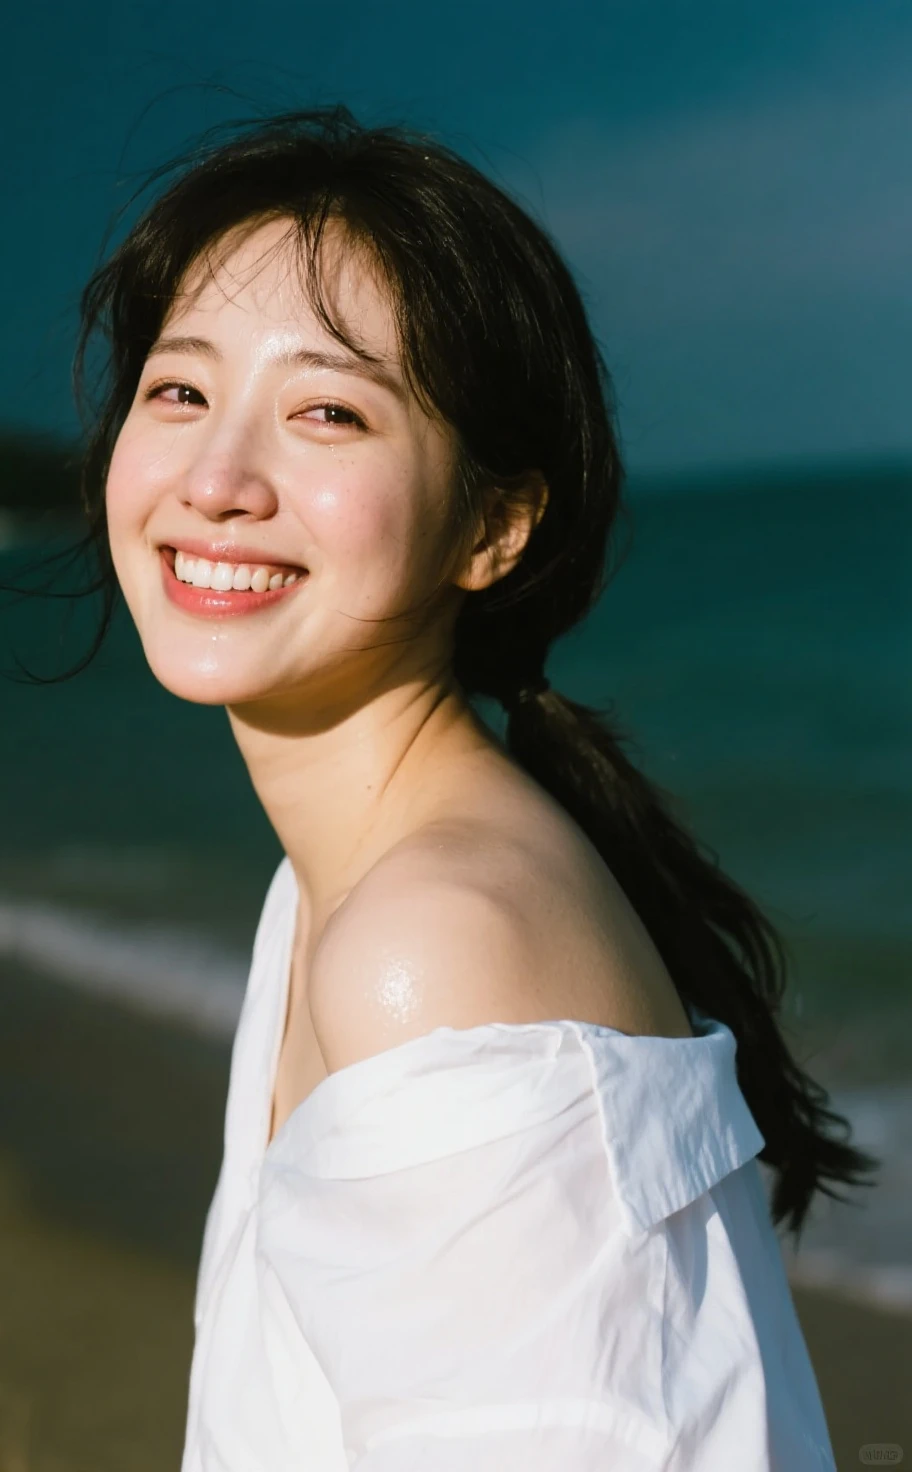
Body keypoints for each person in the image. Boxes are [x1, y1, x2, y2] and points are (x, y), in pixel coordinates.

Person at [62, 105, 876, 1468]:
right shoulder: (338, 887)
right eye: (181, 389)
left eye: (327, 411)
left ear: (494, 525)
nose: (216, 479)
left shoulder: (431, 948)